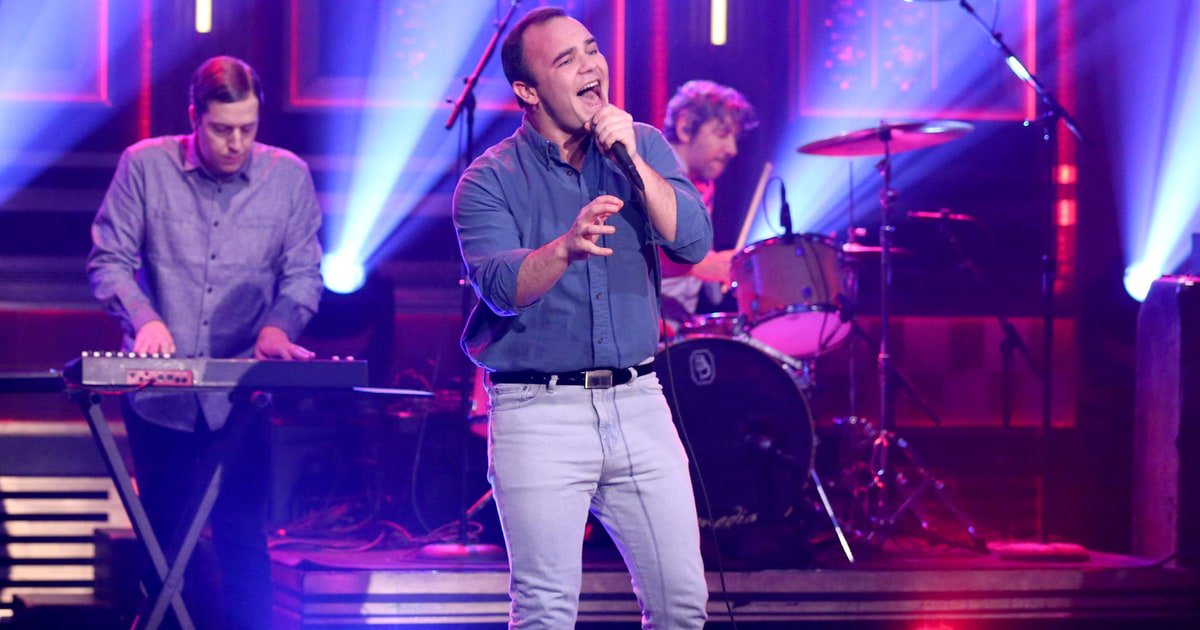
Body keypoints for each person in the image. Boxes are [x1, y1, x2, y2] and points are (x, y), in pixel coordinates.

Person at [453, 7, 712, 628]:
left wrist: (632, 159)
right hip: (537, 412)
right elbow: (501, 288)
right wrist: (564, 249)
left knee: (682, 606)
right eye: (566, 60)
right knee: (544, 612)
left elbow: (693, 242)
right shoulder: (488, 181)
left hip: (638, 401)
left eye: (592, 50)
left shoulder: (641, 145)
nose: (590, 65)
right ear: (528, 91)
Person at [87, 55, 323, 629]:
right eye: (221, 129)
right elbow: (108, 260)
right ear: (194, 117)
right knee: (166, 546)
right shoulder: (145, 165)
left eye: (248, 128)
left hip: (242, 395)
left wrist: (278, 327)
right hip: (159, 397)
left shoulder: (287, 176)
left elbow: (303, 276)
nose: (236, 143)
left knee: (243, 537)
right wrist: (145, 319)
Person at [659, 80, 758, 331]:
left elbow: (694, 256)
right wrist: (699, 266)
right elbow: (625, 255)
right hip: (637, 328)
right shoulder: (651, 174)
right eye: (722, 135)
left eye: (734, 138)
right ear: (685, 128)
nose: (732, 149)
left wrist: (726, 270)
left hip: (677, 324)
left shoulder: (704, 185)